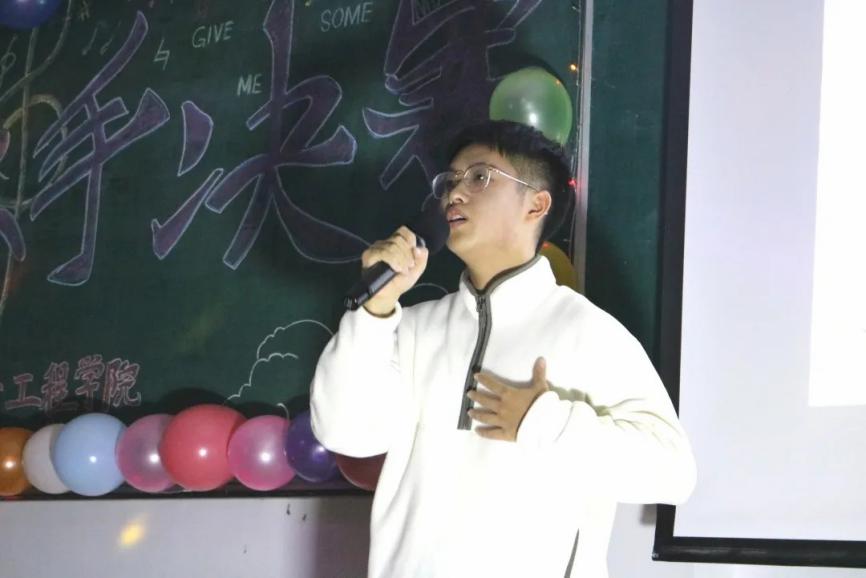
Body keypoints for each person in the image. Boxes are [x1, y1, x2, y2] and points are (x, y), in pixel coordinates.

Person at [310, 120, 696, 578]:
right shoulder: (410, 327)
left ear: (536, 204)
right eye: (450, 181)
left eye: (479, 177)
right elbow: (346, 433)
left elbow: (674, 473)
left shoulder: (588, 331)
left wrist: (545, 422)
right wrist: (373, 311)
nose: (455, 193)